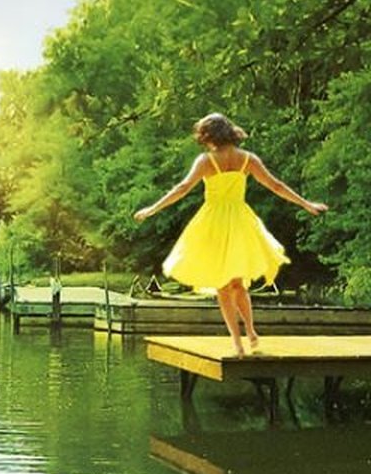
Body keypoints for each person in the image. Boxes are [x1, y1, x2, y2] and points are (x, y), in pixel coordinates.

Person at [134, 113, 329, 356]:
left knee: (223, 286)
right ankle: (250, 332)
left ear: (209, 137)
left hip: (213, 223)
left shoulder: (206, 161)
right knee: (237, 283)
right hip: (239, 221)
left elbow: (182, 188)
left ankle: (238, 341)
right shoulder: (247, 159)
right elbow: (276, 186)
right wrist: (306, 204)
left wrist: (152, 209)